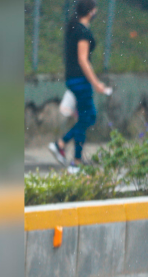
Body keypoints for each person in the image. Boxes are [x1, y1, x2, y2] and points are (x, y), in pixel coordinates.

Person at [49, 0, 112, 174]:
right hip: (80, 80)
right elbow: (83, 60)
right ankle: (66, 152)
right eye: (95, 9)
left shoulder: (74, 28)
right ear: (91, 11)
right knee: (88, 117)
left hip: (73, 78)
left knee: (85, 118)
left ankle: (71, 156)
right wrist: (96, 83)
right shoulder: (82, 32)